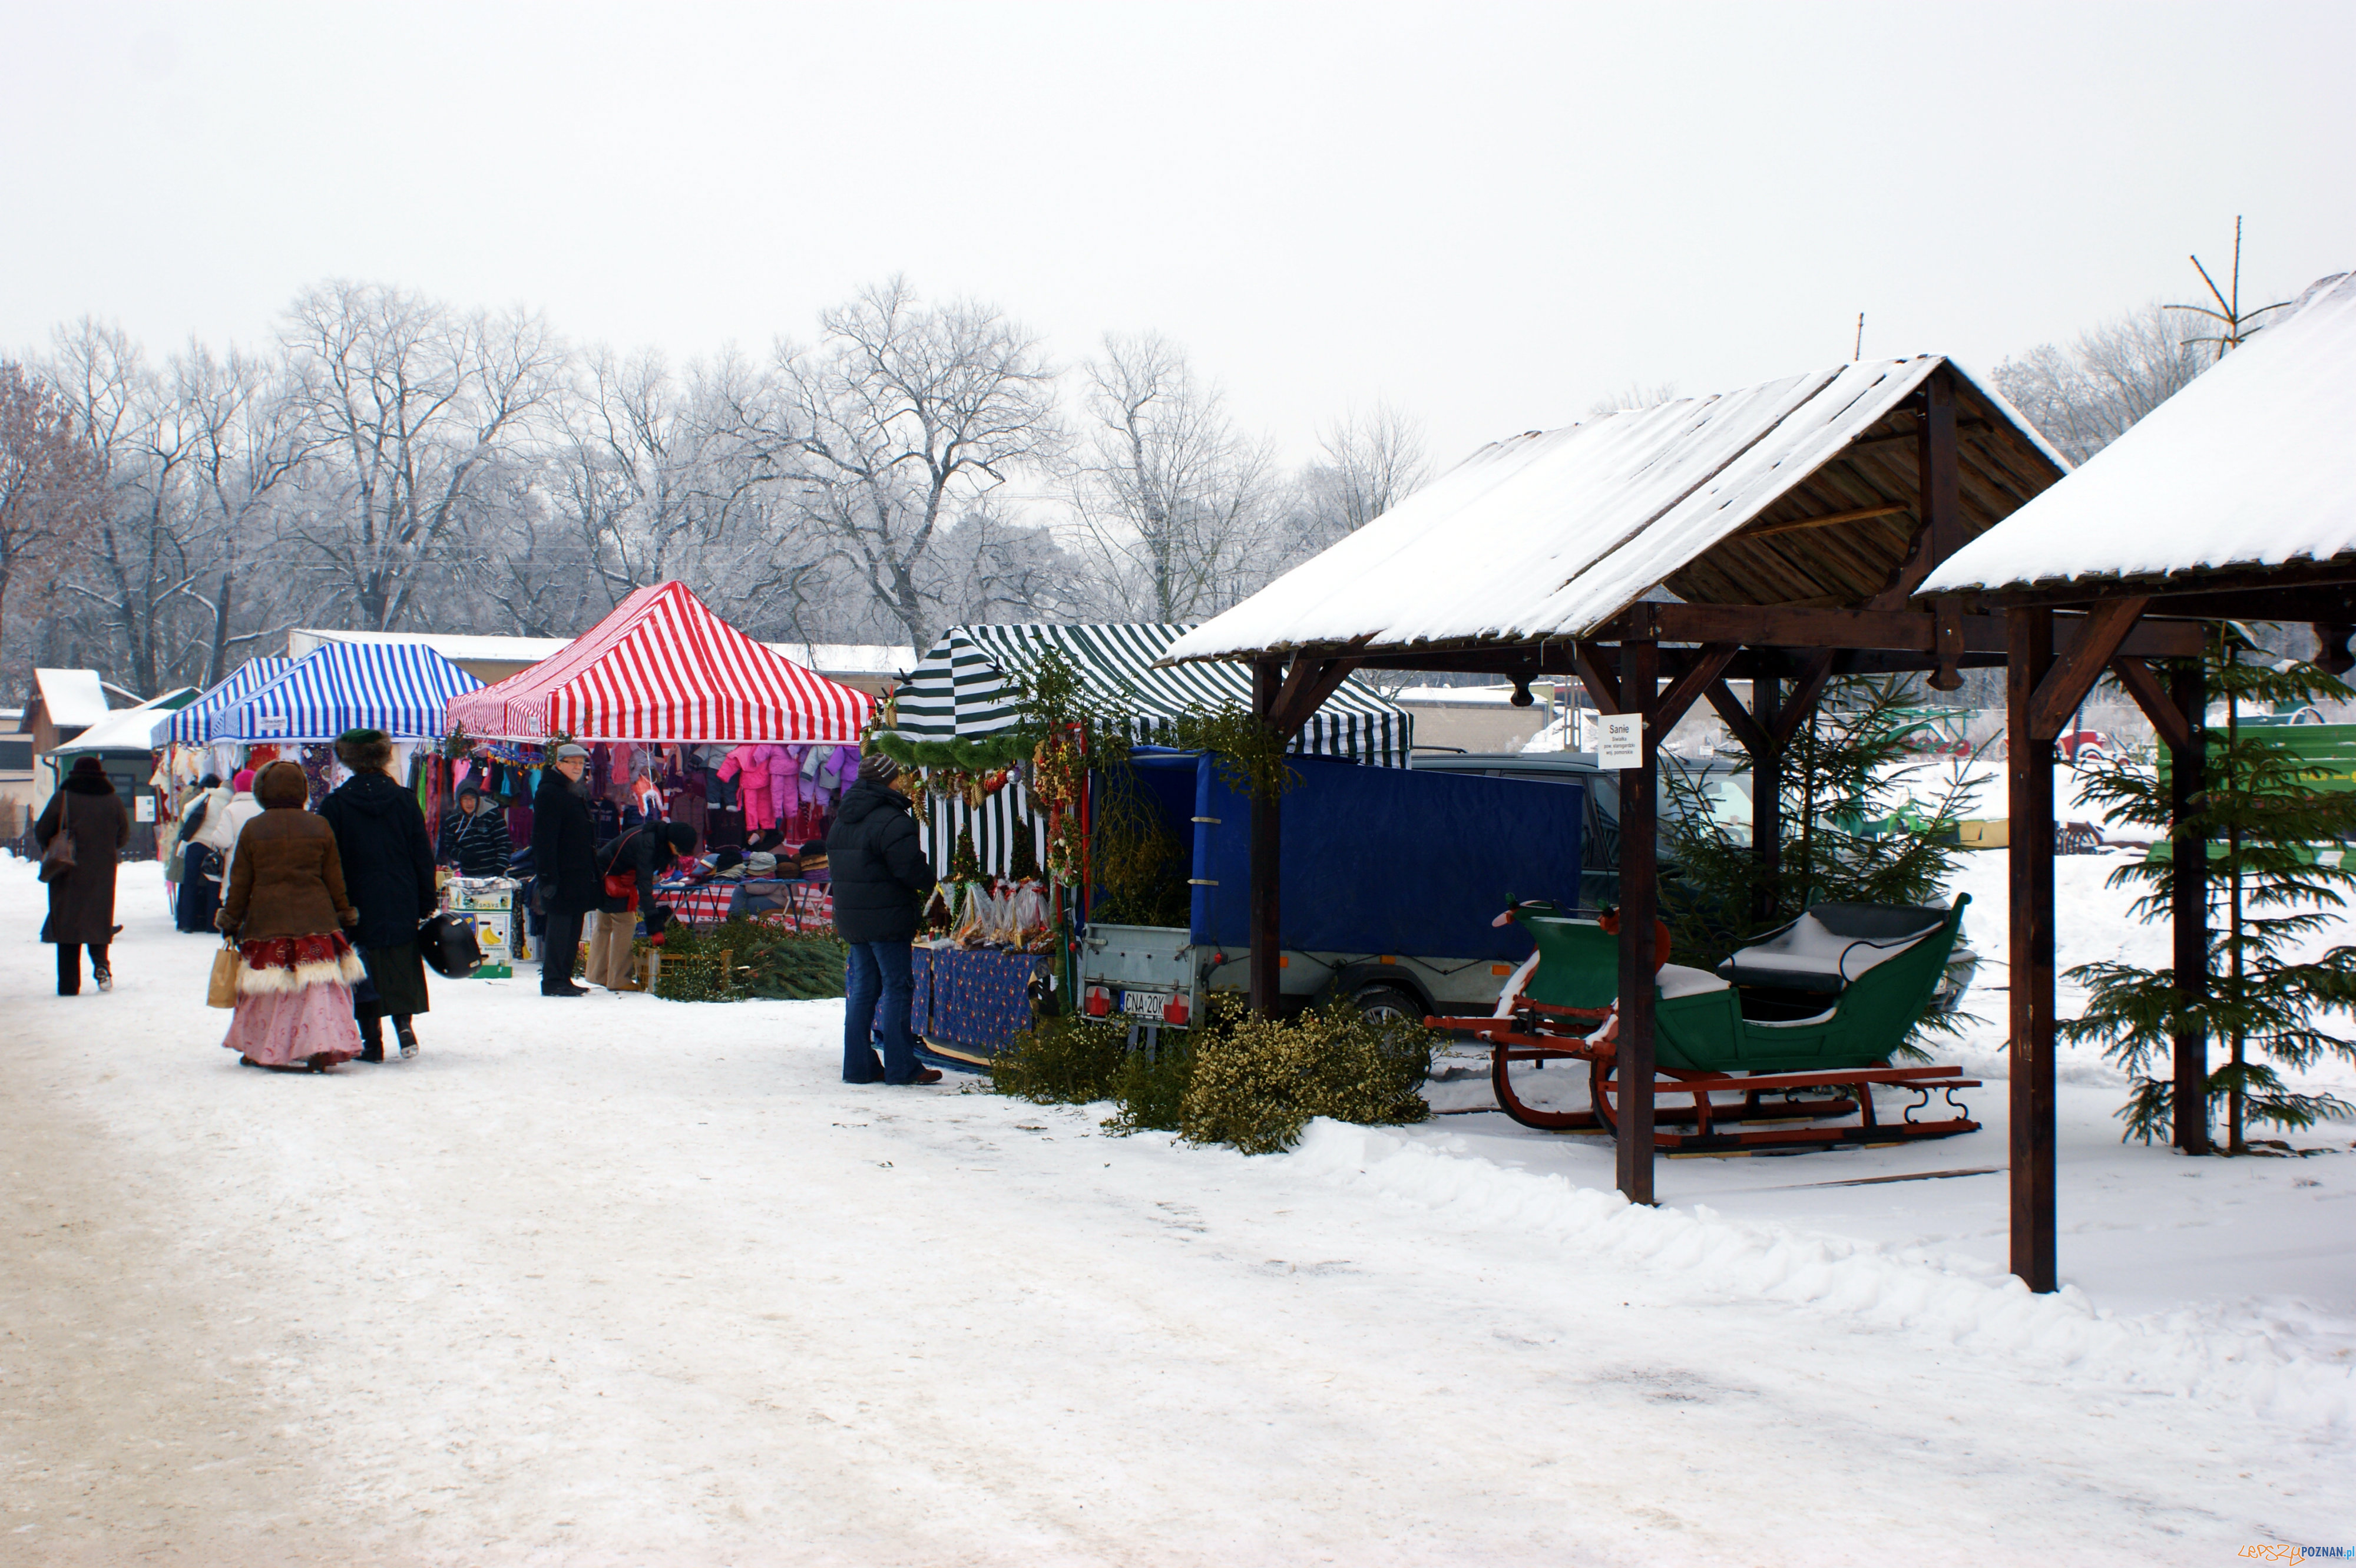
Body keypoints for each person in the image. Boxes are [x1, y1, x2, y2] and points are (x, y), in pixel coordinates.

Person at [215, 759, 364, 1070]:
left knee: (268, 987)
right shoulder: (319, 825)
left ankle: (262, 1047)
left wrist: (230, 918)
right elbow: (334, 878)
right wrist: (344, 912)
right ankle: (320, 1046)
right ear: (302, 790)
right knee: (316, 988)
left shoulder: (254, 828)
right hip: (317, 919)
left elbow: (240, 882)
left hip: (266, 919)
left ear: (263, 791)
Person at [317, 729, 438, 1062]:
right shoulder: (404, 799)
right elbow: (421, 854)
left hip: (357, 897)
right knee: (400, 959)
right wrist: (426, 898)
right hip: (401, 892)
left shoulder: (335, 804)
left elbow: (330, 861)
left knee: (363, 965)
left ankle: (372, 1042)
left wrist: (334, 904)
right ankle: (404, 1025)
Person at [825, 750, 940, 1085]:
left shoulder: (843, 819)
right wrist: (929, 882)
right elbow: (909, 869)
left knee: (863, 990)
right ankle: (902, 1066)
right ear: (889, 780)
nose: (904, 780)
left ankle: (859, 1066)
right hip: (887, 919)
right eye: (899, 774)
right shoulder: (892, 819)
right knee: (897, 988)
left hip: (854, 920)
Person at [36, 755, 131, 996]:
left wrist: (53, 847)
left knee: (68, 924)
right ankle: (101, 965)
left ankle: (68, 985)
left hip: (67, 869)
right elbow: (123, 835)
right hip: (102, 870)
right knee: (97, 919)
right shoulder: (112, 800)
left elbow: (42, 830)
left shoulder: (64, 797)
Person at [584, 819, 700, 991]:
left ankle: (597, 974)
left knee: (605, 925)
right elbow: (646, 888)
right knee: (626, 923)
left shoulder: (654, 835)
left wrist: (635, 878)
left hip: (604, 873)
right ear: (672, 842)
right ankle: (618, 980)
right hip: (610, 877)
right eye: (680, 849)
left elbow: (641, 873)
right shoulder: (648, 845)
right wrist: (655, 927)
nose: (680, 854)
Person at [531, 743, 601, 998]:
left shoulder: (573, 790)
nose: (577, 768)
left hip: (577, 874)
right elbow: (543, 838)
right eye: (572, 762)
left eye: (581, 764)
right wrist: (548, 877)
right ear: (559, 764)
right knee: (560, 930)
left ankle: (564, 977)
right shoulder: (551, 792)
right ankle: (552, 980)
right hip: (560, 874)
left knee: (572, 929)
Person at [173, 773, 229, 933]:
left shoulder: (204, 797)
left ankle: (187, 923)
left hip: (195, 844)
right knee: (214, 885)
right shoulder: (226, 801)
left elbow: (185, 814)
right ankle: (212, 925)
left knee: (190, 884)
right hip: (214, 847)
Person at [441, 782, 512, 878]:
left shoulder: (492, 815)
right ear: (459, 801)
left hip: (494, 874)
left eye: (472, 799)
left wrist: (500, 868)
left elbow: (504, 844)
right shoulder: (453, 820)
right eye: (465, 799)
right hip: (468, 876)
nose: (469, 803)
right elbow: (450, 847)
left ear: (478, 799)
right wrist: (464, 856)